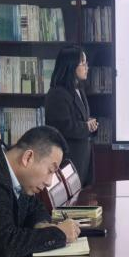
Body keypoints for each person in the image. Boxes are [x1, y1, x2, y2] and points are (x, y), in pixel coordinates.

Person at [0, 125, 80, 257]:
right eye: (50, 171)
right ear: (28, 157)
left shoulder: (13, 169)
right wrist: (58, 233)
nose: (49, 182)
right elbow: (5, 244)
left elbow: (35, 207)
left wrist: (41, 225)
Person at [45, 46, 97, 187]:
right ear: (71, 66)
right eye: (83, 63)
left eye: (86, 63)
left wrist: (90, 124)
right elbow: (62, 127)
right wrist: (86, 126)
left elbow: (79, 119)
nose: (87, 67)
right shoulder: (57, 94)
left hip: (83, 158)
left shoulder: (78, 89)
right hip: (69, 160)